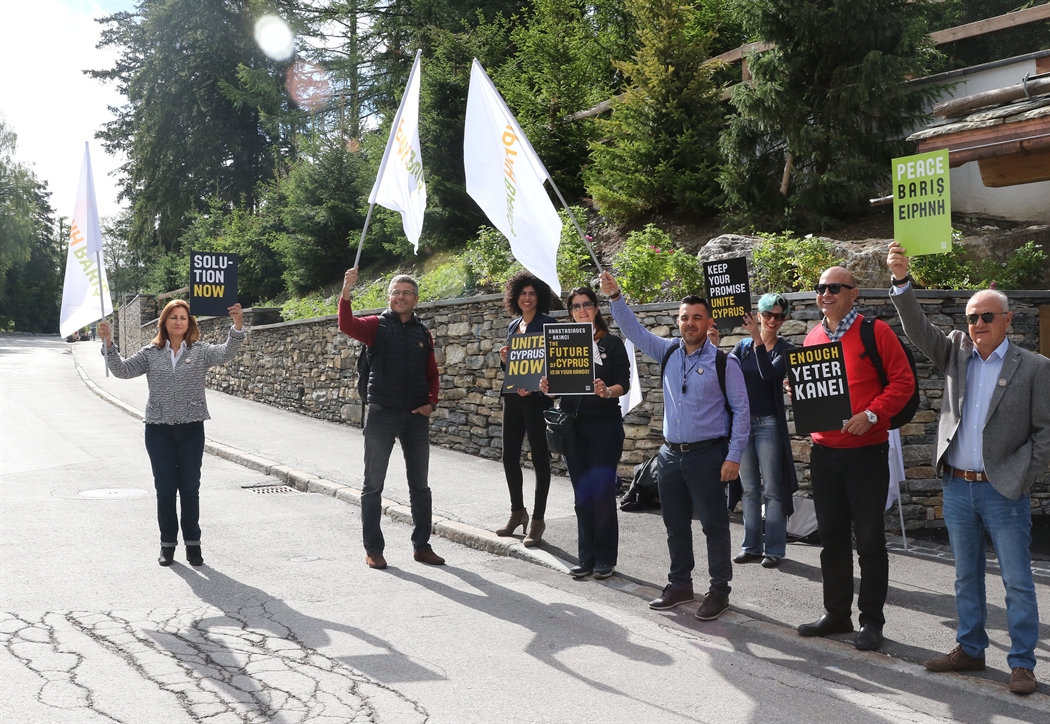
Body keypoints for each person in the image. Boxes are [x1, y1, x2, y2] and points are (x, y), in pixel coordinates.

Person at [888, 241, 1049, 695]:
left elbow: (1046, 432)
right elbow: (918, 329)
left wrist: (1020, 474)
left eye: (987, 316)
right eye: (972, 317)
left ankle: (1022, 664)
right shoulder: (956, 352)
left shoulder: (1035, 367)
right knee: (965, 576)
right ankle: (971, 648)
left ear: (1007, 320)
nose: (978, 324)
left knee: (1017, 581)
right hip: (958, 487)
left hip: (1004, 490)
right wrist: (901, 280)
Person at [600, 270, 750, 620]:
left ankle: (719, 591)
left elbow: (743, 411)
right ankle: (680, 584)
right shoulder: (667, 352)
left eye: (697, 317)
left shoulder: (724, 362)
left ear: (708, 323)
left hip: (709, 455)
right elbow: (634, 331)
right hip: (670, 456)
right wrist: (615, 297)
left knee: (714, 525)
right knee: (675, 524)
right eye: (685, 317)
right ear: (677, 322)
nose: (690, 323)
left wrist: (734, 457)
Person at [796, 266, 914, 652]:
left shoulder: (874, 332)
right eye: (820, 288)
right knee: (831, 539)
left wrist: (873, 415)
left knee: (869, 541)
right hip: (824, 454)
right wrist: (799, 389)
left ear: (853, 293)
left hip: (866, 454)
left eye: (834, 287)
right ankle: (836, 614)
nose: (825, 294)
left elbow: (903, 382)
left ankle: (871, 621)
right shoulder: (812, 337)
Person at [97, 300, 245, 567]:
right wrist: (108, 344)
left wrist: (237, 326)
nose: (178, 321)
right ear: (164, 322)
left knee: (189, 489)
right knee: (165, 490)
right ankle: (167, 545)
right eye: (173, 317)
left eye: (183, 317)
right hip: (158, 431)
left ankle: (193, 545)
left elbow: (225, 353)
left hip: (191, 429)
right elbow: (123, 370)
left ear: (189, 323)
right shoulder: (150, 353)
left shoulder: (200, 351)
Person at [338, 268, 444, 569]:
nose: (401, 297)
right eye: (396, 292)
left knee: (420, 486)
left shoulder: (423, 333)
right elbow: (345, 324)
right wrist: (346, 290)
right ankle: (374, 549)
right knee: (373, 485)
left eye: (406, 293)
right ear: (389, 297)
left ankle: (422, 547)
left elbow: (432, 374)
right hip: (382, 413)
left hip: (415, 416)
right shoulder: (376, 326)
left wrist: (431, 403)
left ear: (416, 299)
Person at [539, 286, 630, 580]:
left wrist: (607, 392)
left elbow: (624, 383)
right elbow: (557, 387)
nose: (582, 310)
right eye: (576, 306)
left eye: (587, 304)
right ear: (570, 312)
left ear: (596, 308)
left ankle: (605, 559)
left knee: (602, 495)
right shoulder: (561, 342)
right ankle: (586, 558)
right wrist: (547, 387)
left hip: (605, 427)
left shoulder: (612, 344)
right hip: (573, 428)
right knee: (582, 497)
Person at [729, 294, 798, 569]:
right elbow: (726, 375)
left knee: (772, 488)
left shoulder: (785, 349)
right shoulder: (742, 346)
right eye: (768, 314)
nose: (773, 320)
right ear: (758, 314)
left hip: (769, 424)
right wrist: (712, 344)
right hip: (743, 424)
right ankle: (751, 546)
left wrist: (757, 338)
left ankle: (775, 549)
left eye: (779, 316)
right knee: (749, 489)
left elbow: (768, 373)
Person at [496, 271, 556, 547]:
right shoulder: (513, 325)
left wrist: (535, 386)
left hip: (537, 400)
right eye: (523, 293)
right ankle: (517, 511)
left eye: (532, 293)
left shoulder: (548, 324)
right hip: (513, 398)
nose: (527, 298)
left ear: (539, 296)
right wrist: (505, 360)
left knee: (540, 459)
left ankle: (538, 520)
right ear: (515, 297)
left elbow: (554, 364)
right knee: (509, 456)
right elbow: (514, 366)